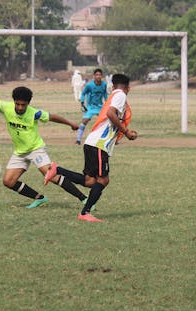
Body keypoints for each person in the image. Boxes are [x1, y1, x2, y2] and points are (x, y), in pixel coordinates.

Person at [0, 86, 90, 209]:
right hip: (20, 152)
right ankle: (40, 198)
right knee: (8, 182)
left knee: (50, 175)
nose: (20, 107)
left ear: (28, 103)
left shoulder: (35, 113)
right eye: (17, 104)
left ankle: (84, 199)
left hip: (36, 149)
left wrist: (70, 123)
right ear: (14, 101)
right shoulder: (5, 107)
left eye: (23, 105)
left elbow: (52, 117)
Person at [44, 74, 138, 222]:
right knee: (103, 180)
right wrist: (126, 132)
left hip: (92, 142)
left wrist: (124, 132)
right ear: (128, 88)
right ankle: (84, 212)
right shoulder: (120, 95)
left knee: (89, 182)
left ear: (112, 86)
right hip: (98, 145)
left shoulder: (114, 94)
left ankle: (57, 169)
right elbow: (110, 113)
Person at [75, 68, 108, 145]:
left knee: (105, 121)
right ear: (94, 76)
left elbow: (105, 94)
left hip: (100, 107)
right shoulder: (89, 85)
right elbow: (83, 93)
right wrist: (82, 103)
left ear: (102, 76)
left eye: (100, 75)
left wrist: (107, 103)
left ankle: (105, 139)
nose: (98, 76)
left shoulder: (104, 84)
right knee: (85, 121)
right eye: (97, 75)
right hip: (90, 107)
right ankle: (78, 140)